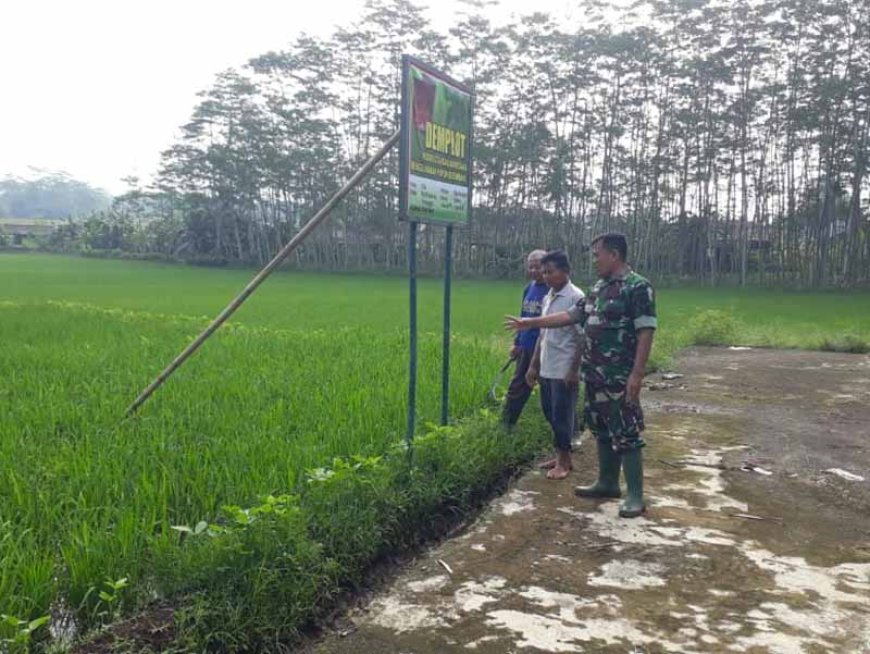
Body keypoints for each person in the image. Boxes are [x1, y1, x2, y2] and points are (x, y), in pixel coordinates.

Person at [505, 233, 656, 517]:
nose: (594, 260)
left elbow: (646, 331)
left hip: (620, 376)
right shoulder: (598, 288)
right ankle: (607, 482)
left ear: (613, 254)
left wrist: (637, 374)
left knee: (626, 432)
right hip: (595, 374)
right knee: (600, 428)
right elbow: (571, 317)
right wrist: (531, 322)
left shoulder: (637, 287)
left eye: (597, 254)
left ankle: (635, 495)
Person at [525, 250, 585, 481]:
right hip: (547, 365)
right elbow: (543, 334)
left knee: (563, 415)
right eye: (544, 271)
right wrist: (533, 366)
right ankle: (560, 455)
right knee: (550, 412)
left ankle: (564, 462)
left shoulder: (576, 297)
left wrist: (574, 370)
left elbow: (582, 338)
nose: (545, 276)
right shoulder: (548, 297)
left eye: (550, 272)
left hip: (564, 367)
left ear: (565, 272)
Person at [502, 249, 548, 427]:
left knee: (552, 392)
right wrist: (516, 344)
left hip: (545, 348)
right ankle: (505, 427)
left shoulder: (552, 289)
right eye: (531, 267)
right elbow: (522, 318)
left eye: (538, 267)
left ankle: (568, 432)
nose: (534, 271)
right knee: (516, 388)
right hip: (526, 347)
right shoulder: (528, 288)